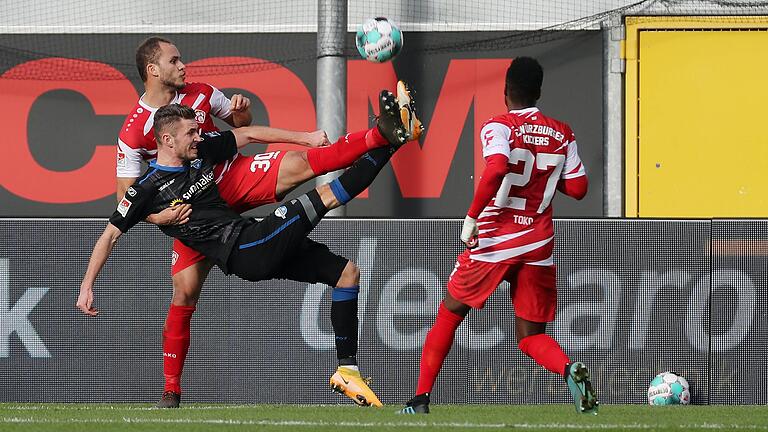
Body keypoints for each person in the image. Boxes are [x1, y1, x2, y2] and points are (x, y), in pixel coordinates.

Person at [117, 36, 423, 407]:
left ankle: (382, 133)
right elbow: (126, 198)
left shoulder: (199, 92)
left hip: (231, 175)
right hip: (198, 209)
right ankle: (171, 389)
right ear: (153, 70)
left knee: (300, 165)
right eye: (174, 60)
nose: (183, 66)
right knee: (183, 292)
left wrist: (246, 112)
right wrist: (161, 215)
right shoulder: (133, 132)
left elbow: (242, 127)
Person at [399, 57, 597, 415]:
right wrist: (545, 176)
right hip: (538, 245)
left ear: (505, 91)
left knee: (449, 314)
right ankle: (569, 369)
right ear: (538, 92)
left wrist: (471, 216)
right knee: (531, 335)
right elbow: (580, 188)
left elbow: (497, 167)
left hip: (494, 240)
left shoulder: (498, 125)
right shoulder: (562, 132)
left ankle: (420, 399)